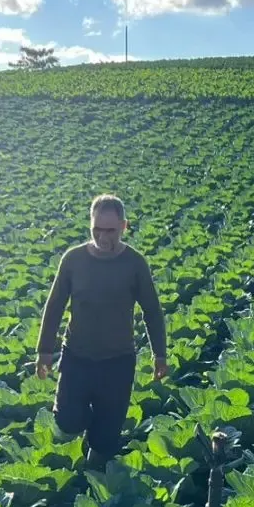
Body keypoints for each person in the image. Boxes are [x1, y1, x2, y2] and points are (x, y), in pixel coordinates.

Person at [36, 194, 169, 468]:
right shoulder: (73, 259)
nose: (102, 236)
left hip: (118, 361)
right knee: (67, 420)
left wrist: (160, 354)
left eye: (110, 230)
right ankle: (89, 428)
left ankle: (92, 477)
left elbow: (152, 311)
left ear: (124, 226)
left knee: (106, 439)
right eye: (96, 229)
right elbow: (55, 305)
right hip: (77, 356)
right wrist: (44, 350)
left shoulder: (134, 263)